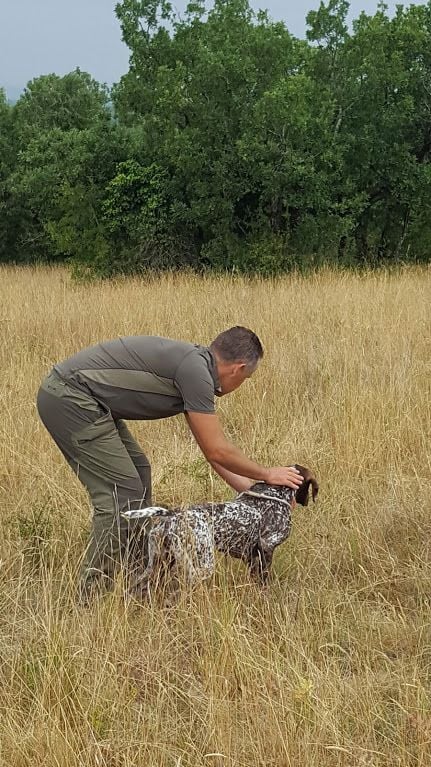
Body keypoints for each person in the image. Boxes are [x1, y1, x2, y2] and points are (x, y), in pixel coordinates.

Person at [36, 326, 303, 600]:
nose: (241, 384)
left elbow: (210, 451)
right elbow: (218, 450)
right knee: (122, 494)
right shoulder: (196, 374)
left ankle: (139, 581)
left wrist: (256, 493)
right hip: (70, 398)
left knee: (140, 472)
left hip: (86, 400)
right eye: (247, 378)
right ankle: (90, 598)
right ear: (239, 368)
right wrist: (267, 474)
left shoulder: (197, 367)